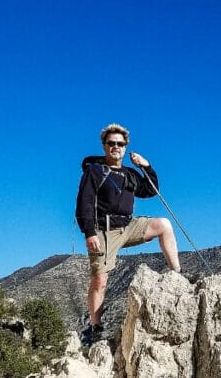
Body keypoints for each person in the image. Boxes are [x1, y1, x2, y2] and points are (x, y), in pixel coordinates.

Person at [75, 123, 179, 341]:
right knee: (99, 280)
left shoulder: (129, 174)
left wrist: (146, 166)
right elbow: (84, 202)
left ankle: (177, 276)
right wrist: (89, 233)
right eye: (111, 143)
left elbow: (150, 190)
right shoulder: (94, 171)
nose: (116, 147)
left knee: (164, 225)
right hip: (104, 231)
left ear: (125, 147)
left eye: (120, 144)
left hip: (128, 225)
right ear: (104, 146)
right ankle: (96, 327)